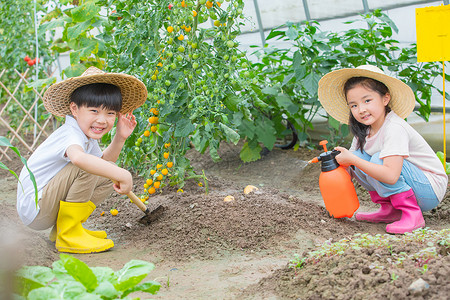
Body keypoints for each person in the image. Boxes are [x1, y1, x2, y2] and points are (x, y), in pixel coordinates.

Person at [16, 66, 147, 253]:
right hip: (36, 208)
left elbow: (104, 162)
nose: (102, 120)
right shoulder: (70, 133)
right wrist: (123, 174)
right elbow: (79, 160)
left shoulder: (84, 135)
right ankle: (69, 235)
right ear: (75, 109)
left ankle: (67, 228)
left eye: (110, 113)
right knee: (90, 166)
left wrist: (120, 137)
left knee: (103, 170)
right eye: (94, 111)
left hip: (45, 206)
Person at [318, 65, 448, 234]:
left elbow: (391, 175)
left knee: (376, 158)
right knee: (357, 156)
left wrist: (352, 160)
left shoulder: (394, 128)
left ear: (385, 99)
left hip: (429, 190)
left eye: (367, 101)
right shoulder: (364, 131)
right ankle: (390, 209)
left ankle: (412, 213)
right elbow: (352, 166)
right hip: (411, 186)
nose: (361, 110)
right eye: (354, 105)